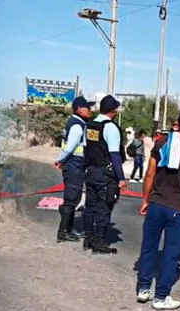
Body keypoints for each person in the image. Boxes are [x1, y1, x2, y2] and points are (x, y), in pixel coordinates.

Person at [136, 106, 180, 310]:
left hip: (156, 204)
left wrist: (145, 200)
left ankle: (143, 289)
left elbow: (149, 174)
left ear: (178, 122)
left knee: (148, 248)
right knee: (171, 254)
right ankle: (161, 296)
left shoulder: (162, 143)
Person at [81, 95, 127, 254]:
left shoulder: (90, 125)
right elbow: (115, 155)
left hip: (91, 171)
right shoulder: (111, 128)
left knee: (90, 207)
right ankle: (99, 242)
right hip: (105, 174)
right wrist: (121, 178)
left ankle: (88, 239)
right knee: (104, 208)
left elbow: (86, 148)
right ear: (113, 111)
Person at [54, 96, 94, 242]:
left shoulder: (76, 123)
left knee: (74, 197)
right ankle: (63, 232)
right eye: (87, 108)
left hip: (74, 164)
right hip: (74, 164)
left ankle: (68, 229)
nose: (90, 110)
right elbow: (70, 147)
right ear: (79, 109)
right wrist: (59, 160)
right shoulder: (77, 126)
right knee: (71, 198)